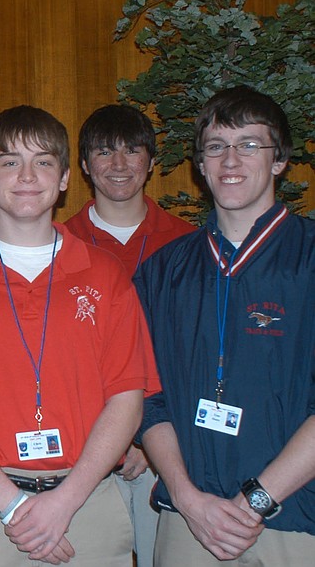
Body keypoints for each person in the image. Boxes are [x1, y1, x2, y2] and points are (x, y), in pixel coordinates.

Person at [0, 105, 159, 566]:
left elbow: (127, 398)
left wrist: (64, 502)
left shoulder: (106, 275)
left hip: (87, 500)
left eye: (43, 161)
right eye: (9, 161)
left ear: (66, 177)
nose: (27, 175)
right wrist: (13, 504)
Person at [135, 86, 315, 565]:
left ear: (279, 160)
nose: (230, 159)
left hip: (295, 522)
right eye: (216, 146)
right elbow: (146, 399)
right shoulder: (162, 272)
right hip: (188, 523)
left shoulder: (311, 258)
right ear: (200, 164)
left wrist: (255, 500)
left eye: (250, 144)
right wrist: (189, 501)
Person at [64, 103, 195, 563]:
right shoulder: (56, 242)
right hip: (80, 450)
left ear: (152, 162)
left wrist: (147, 438)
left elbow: (190, 354)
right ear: (82, 165)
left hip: (165, 449)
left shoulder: (188, 244)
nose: (118, 166)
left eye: (132, 151)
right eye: (104, 152)